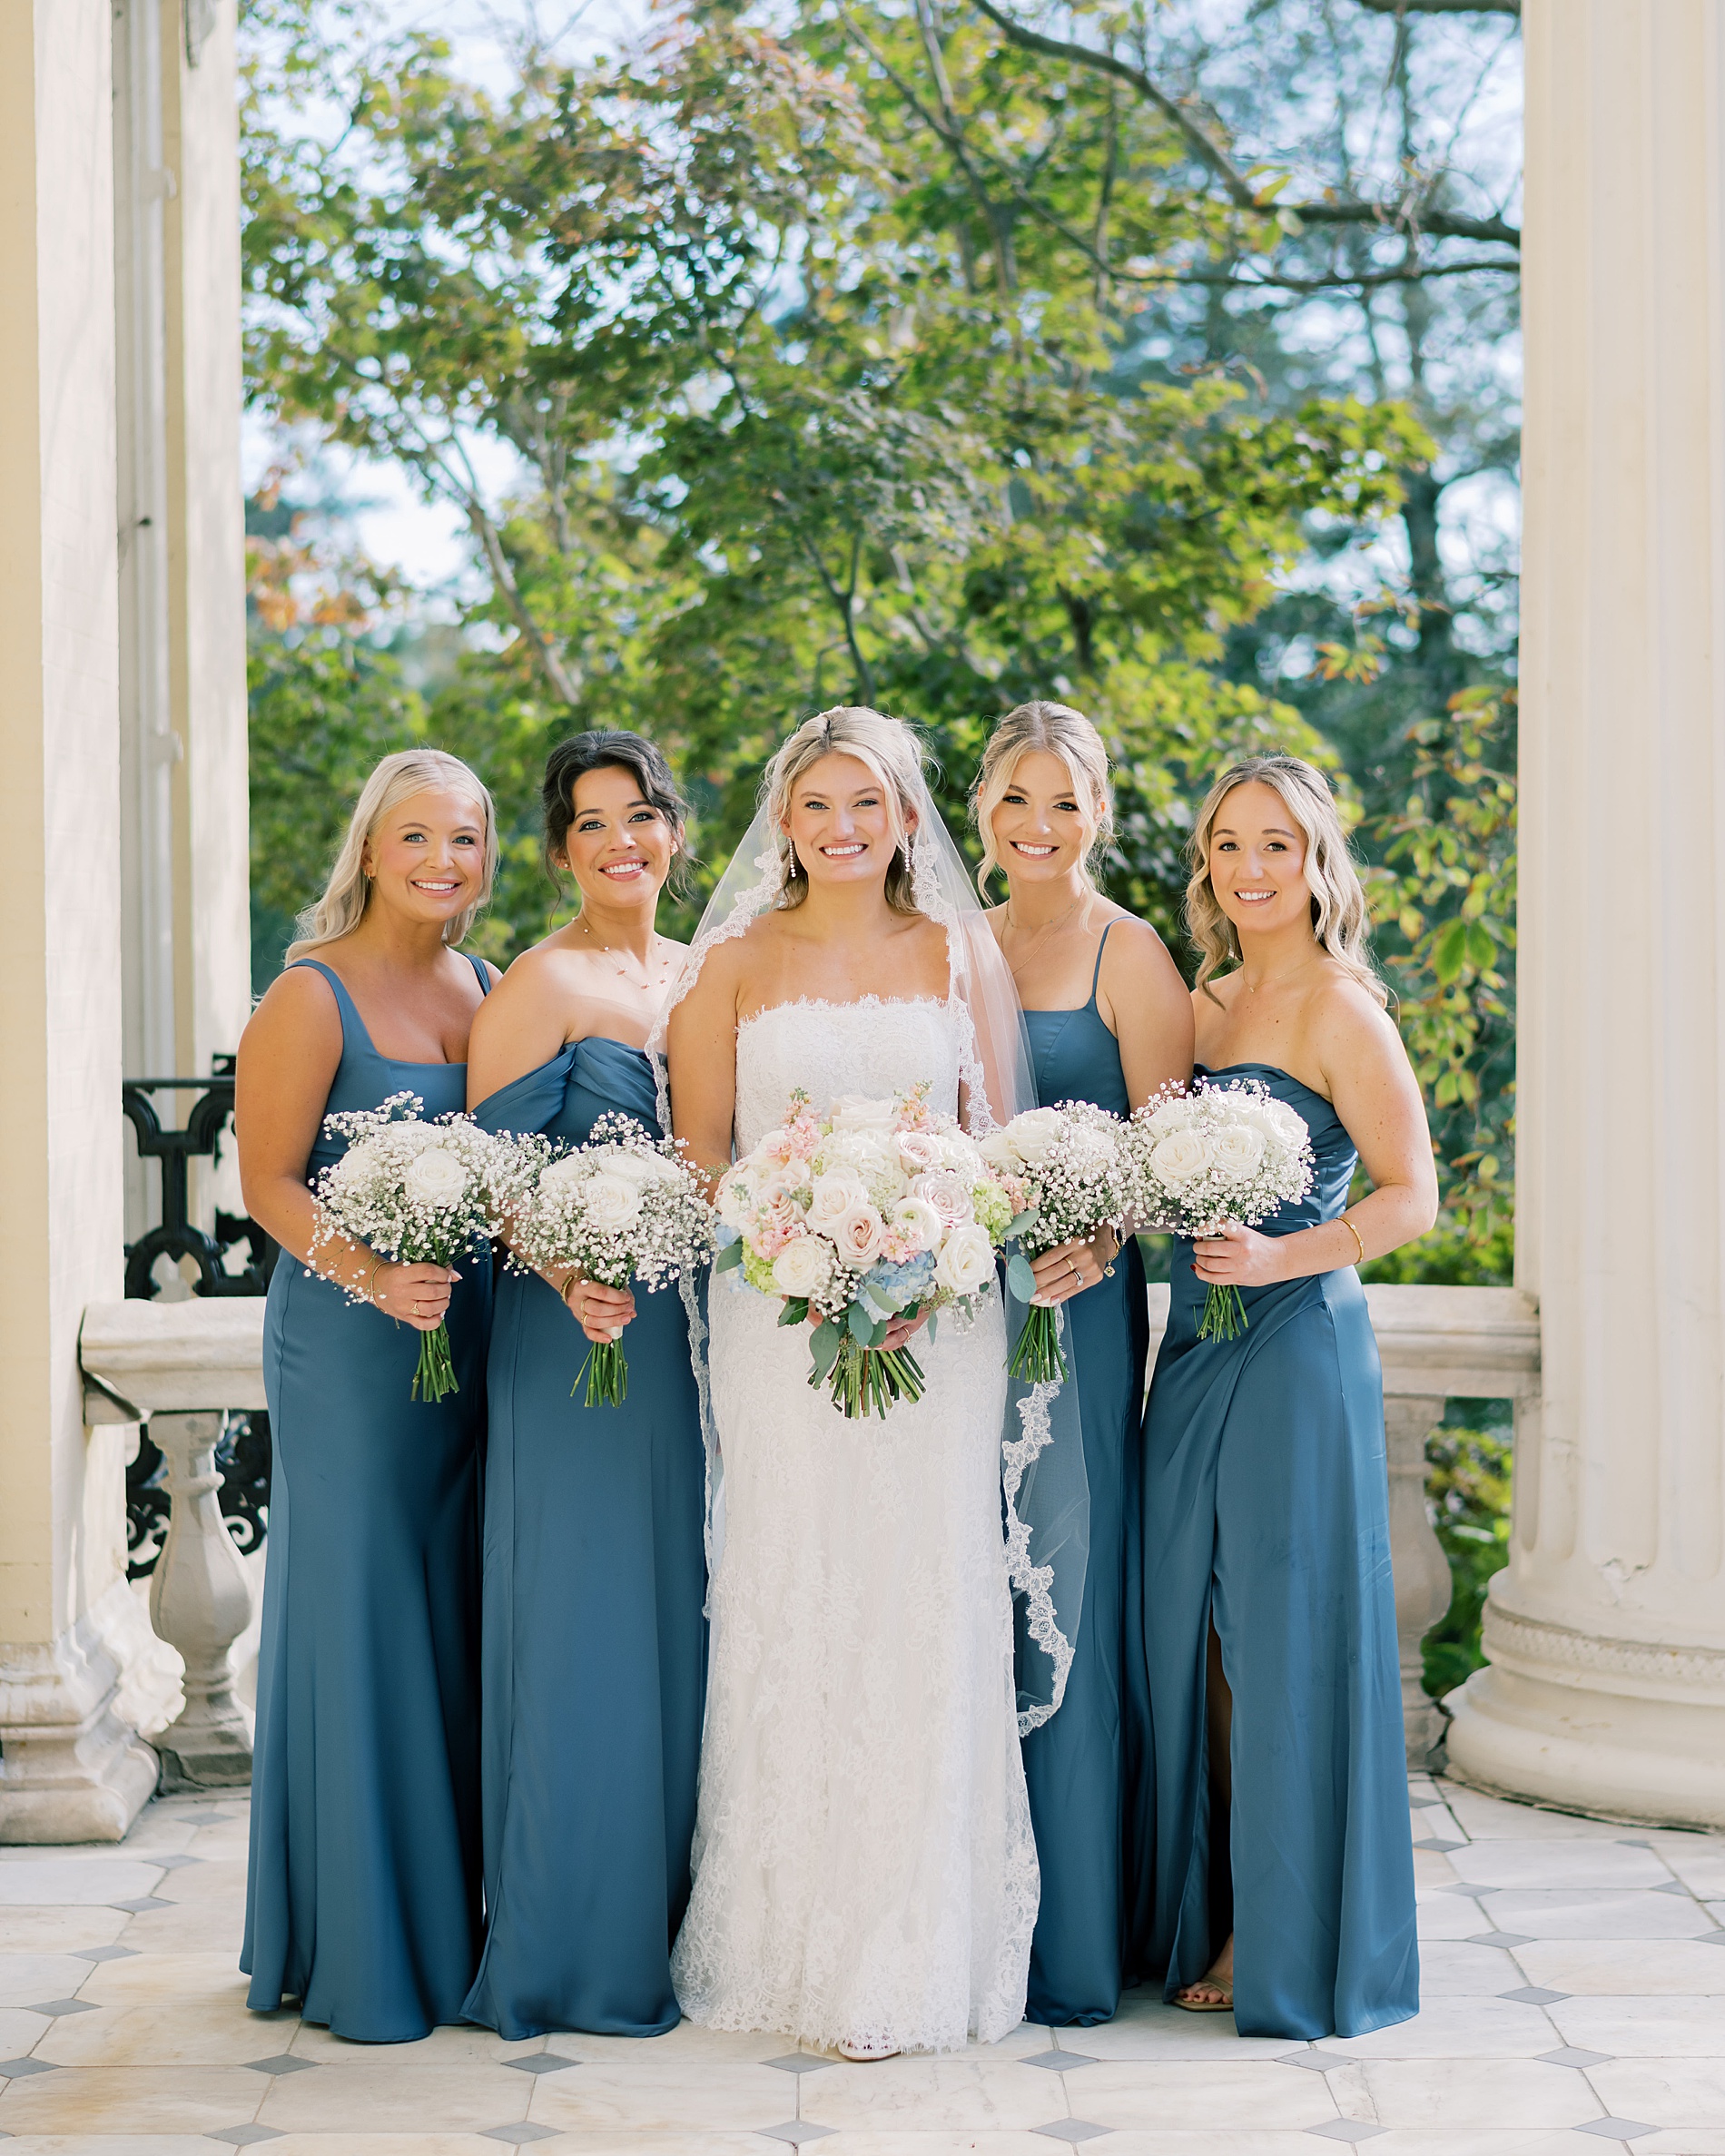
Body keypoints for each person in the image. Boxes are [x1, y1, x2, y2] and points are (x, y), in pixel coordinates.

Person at [663, 707, 1045, 2060]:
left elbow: (994, 1150)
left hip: (938, 1327)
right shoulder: (732, 963)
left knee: (918, 1595)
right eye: (816, 805)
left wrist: (924, 1255)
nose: (841, 828)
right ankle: (783, 1940)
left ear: (902, 818)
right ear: (783, 817)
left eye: (866, 806)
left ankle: (912, 1949)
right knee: (795, 1585)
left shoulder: (954, 950)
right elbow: (704, 1154)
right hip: (779, 1322)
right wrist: (804, 1251)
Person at [1139, 753, 1434, 2039]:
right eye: (1229, 845)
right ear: (1204, 864)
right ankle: (1213, 1884)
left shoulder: (1339, 1009)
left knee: (1278, 1640)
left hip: (1298, 1338)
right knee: (1193, 1636)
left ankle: (1282, 1917)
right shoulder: (1202, 1006)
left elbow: (1412, 1196)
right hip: (1197, 1348)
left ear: (1319, 866)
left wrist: (1279, 1255)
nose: (1251, 868)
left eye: (1278, 845)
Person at [238, 749, 499, 2042]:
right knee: (362, 1610)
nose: (443, 860)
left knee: (451, 1606)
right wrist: (376, 1272)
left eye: (464, 838)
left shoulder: (490, 985)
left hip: (467, 1338)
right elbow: (270, 1182)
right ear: (371, 846)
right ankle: (358, 1947)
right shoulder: (310, 992)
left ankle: (450, 1919)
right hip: (348, 1343)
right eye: (417, 836)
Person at [461, 731, 706, 2039]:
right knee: (585, 1623)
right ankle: (570, 1952)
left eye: (644, 814)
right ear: (559, 851)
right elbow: (485, 1184)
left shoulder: (703, 972)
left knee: (683, 1620)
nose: (623, 840)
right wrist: (564, 1273)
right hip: (578, 1339)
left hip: (695, 1347)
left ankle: (675, 1923)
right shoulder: (537, 986)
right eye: (593, 822)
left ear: (676, 831)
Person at [974, 702, 1192, 2027]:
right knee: (967, 1592)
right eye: (1015, 801)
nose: (1039, 827)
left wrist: (1098, 1231)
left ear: (1097, 812)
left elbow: (1168, 1157)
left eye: (1064, 802)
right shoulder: (954, 943)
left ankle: (1074, 1938)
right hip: (950, 1319)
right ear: (981, 806)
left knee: (1067, 1577)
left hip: (1075, 1312)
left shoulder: (1130, 951)